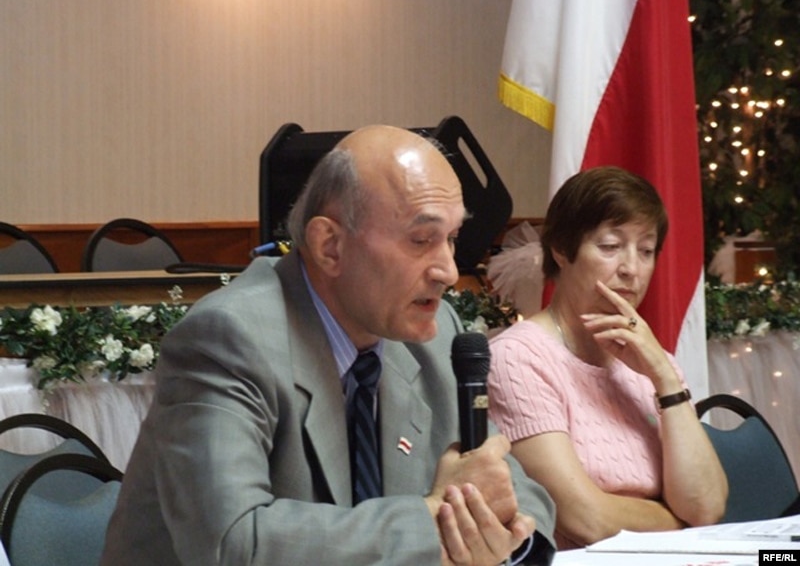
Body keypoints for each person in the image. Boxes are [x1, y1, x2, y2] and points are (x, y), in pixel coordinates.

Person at [101, 125, 556, 565]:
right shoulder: (228, 338)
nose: (448, 271)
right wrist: (431, 526)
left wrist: (501, 538)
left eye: (452, 239)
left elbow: (515, 490)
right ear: (330, 246)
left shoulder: (432, 334)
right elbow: (234, 543)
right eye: (421, 239)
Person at [487, 166, 728, 550]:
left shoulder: (651, 361)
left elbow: (708, 506)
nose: (631, 269)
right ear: (561, 250)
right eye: (611, 246)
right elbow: (585, 518)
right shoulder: (518, 358)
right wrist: (677, 520)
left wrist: (665, 378)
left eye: (646, 251)